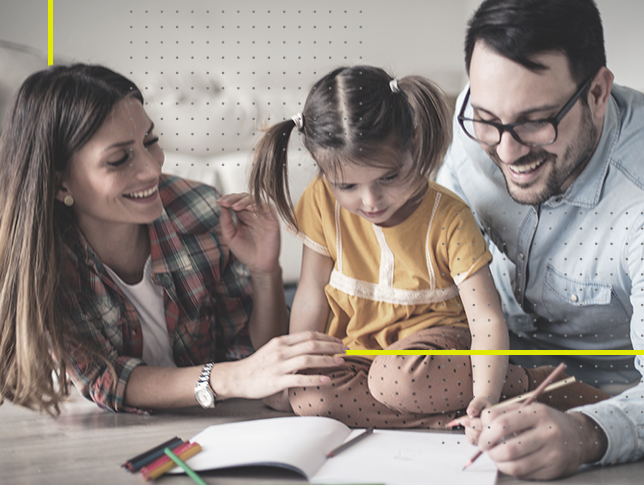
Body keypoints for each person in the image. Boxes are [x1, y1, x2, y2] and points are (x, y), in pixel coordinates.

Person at [250, 65, 607, 433]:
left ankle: (527, 383)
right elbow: (311, 295)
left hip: (432, 354)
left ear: (415, 143)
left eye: (389, 177)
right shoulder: (321, 201)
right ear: (323, 171)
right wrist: (295, 368)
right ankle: (448, 416)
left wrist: (484, 393)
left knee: (395, 381)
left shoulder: (449, 217)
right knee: (308, 396)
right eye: (348, 186)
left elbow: (486, 320)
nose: (371, 200)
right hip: (358, 354)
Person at [0, 64, 348, 416]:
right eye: (119, 159)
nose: (152, 169)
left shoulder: (199, 210)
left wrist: (265, 271)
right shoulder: (42, 264)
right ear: (60, 183)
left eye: (150, 141)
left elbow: (259, 354)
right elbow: (106, 378)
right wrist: (226, 379)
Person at [436, 0, 644, 478]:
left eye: (535, 121)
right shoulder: (476, 123)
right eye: (489, 119)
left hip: (600, 400)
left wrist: (586, 434)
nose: (507, 151)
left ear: (597, 92)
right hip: (483, 373)